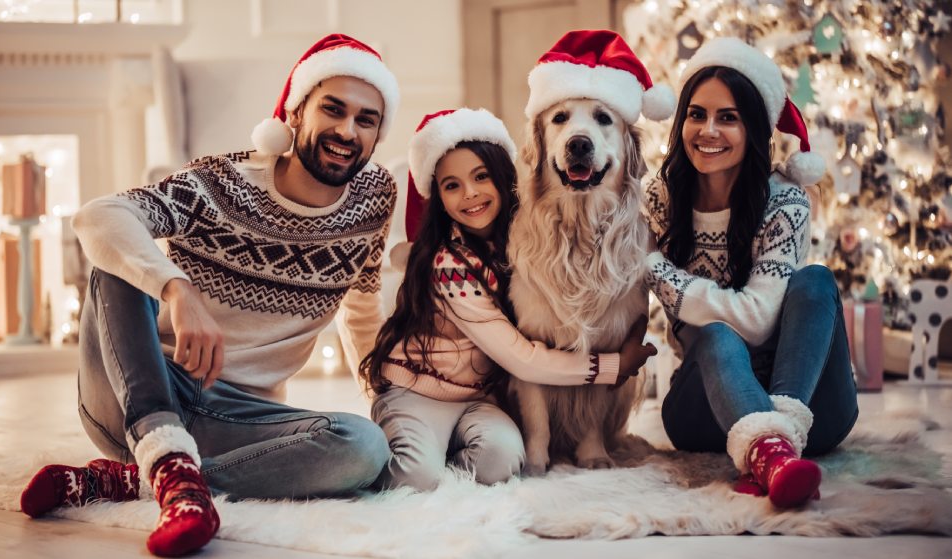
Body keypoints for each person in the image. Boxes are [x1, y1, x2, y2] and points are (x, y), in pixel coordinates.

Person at [19, 34, 400, 556]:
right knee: (116, 263)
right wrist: (175, 288)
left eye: (365, 119)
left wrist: (388, 404)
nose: (347, 131)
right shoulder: (220, 183)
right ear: (295, 114)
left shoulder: (374, 200)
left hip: (240, 420)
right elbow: (98, 215)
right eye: (332, 109)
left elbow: (361, 308)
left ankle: (149, 479)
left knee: (364, 447)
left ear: (377, 134)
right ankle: (162, 450)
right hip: (138, 394)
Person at [359, 108, 657, 492]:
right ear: (439, 199)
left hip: (479, 399)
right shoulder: (448, 266)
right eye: (452, 186)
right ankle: (407, 449)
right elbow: (520, 357)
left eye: (481, 177)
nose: (470, 193)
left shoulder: (519, 241)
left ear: (503, 178)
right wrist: (613, 366)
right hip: (418, 393)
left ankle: (442, 455)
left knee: (500, 462)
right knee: (414, 477)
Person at [642, 37, 858, 509]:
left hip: (810, 409)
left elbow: (759, 321)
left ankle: (775, 446)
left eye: (728, 117)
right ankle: (772, 456)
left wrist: (655, 267)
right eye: (696, 114)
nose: (708, 130)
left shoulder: (784, 202)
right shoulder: (659, 200)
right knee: (716, 337)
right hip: (705, 412)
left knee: (815, 281)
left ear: (755, 128)